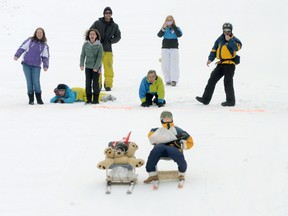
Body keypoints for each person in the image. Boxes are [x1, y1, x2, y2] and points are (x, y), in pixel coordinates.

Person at [196, 22, 242, 107]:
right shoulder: (219, 39)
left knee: (227, 82)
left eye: (228, 31)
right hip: (221, 63)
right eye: (225, 31)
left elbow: (237, 47)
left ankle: (231, 101)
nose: (227, 32)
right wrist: (210, 59)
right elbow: (214, 49)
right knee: (212, 79)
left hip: (230, 64)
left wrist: (230, 40)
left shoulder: (234, 39)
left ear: (231, 31)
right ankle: (205, 99)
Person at [143, 111, 194, 183]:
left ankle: (181, 173)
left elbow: (190, 142)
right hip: (160, 151)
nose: (167, 119)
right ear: (161, 120)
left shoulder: (178, 130)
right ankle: (152, 175)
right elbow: (152, 138)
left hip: (174, 150)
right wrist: (172, 139)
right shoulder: (156, 130)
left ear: (172, 119)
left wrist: (182, 144)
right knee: (157, 149)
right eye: (165, 118)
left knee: (173, 151)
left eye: (168, 118)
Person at [14, 27, 50, 105]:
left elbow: (46, 56)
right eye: (38, 32)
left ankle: (39, 99)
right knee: (29, 82)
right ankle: (31, 99)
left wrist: (45, 65)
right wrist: (17, 55)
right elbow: (22, 48)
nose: (39, 34)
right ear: (35, 33)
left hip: (36, 66)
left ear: (43, 34)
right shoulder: (30, 40)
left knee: (36, 82)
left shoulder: (44, 45)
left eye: (41, 33)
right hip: (26, 64)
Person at [90, 6, 121, 91]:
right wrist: (95, 40)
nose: (108, 14)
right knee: (97, 67)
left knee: (109, 67)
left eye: (109, 13)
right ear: (104, 14)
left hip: (108, 49)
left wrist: (111, 41)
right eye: (106, 13)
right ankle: (97, 84)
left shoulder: (114, 26)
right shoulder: (97, 23)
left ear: (111, 14)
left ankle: (108, 84)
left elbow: (118, 36)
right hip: (97, 49)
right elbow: (91, 31)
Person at [157, 15, 183, 87]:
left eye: (170, 20)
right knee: (165, 64)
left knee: (174, 64)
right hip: (165, 48)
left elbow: (179, 34)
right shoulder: (164, 28)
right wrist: (163, 28)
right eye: (167, 20)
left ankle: (174, 80)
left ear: (173, 21)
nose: (169, 21)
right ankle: (167, 80)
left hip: (174, 48)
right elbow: (159, 35)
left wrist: (173, 26)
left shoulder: (176, 28)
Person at [80, 29, 103, 104]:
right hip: (88, 67)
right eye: (90, 34)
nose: (92, 36)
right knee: (88, 82)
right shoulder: (85, 45)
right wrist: (81, 64)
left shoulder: (99, 45)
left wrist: (96, 67)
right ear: (88, 36)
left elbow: (100, 57)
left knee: (96, 83)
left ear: (96, 36)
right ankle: (88, 99)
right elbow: (82, 55)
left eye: (93, 34)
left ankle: (96, 99)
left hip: (96, 67)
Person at [50, 84, 116, 104]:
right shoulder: (58, 94)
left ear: (65, 90)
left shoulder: (69, 91)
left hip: (80, 91)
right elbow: (52, 99)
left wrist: (63, 101)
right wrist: (55, 100)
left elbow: (72, 99)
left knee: (91, 94)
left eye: (62, 91)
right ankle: (104, 97)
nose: (61, 93)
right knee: (89, 98)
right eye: (60, 91)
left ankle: (107, 95)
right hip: (80, 98)